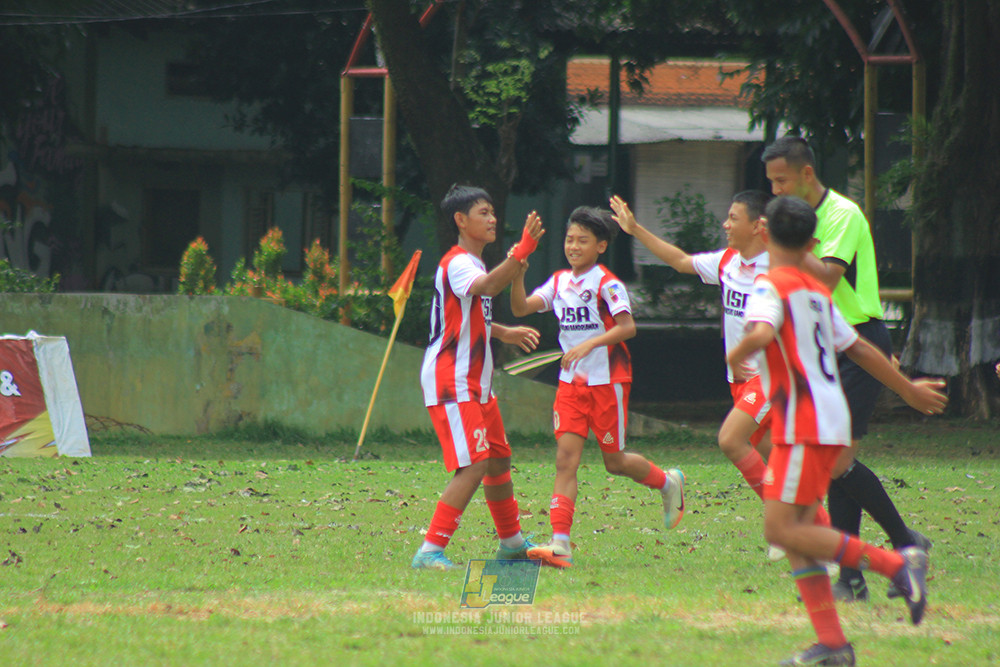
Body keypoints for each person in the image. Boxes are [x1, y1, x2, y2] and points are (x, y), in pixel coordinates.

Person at [726, 195, 947, 666]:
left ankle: (898, 564)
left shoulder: (772, 285)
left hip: (802, 423)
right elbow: (863, 350)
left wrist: (744, 346)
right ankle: (832, 645)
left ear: (764, 232)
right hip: (827, 418)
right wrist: (907, 391)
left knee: (780, 527)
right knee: (799, 533)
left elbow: (764, 331)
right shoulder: (816, 292)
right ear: (813, 242)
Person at [609, 191, 829, 556]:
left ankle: (786, 529)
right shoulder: (728, 261)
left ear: (758, 226)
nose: (725, 225)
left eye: (733, 217)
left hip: (771, 378)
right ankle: (815, 532)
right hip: (740, 383)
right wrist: (636, 230)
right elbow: (680, 261)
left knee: (730, 440)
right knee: (776, 465)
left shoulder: (780, 267)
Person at [762, 136, 931, 601]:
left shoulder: (841, 214)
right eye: (771, 183)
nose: (776, 190)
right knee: (837, 464)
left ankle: (902, 546)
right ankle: (856, 576)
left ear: (806, 174)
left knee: (837, 463)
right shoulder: (796, 223)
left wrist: (786, 244)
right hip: (831, 344)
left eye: (782, 180)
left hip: (857, 338)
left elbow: (828, 277)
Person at [509, 205, 684, 568]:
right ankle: (561, 544)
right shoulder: (559, 282)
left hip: (608, 382)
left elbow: (628, 327)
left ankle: (668, 484)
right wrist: (517, 276)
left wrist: (589, 344)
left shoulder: (607, 284)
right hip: (571, 385)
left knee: (615, 462)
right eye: (569, 239)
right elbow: (522, 308)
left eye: (582, 241)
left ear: (600, 246)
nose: (573, 246)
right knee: (564, 460)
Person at [411, 184, 546, 570]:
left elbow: (470, 316)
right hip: (451, 380)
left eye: (492, 212)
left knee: (498, 461)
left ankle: (512, 544)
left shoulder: (474, 263)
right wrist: (521, 252)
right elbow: (487, 288)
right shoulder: (457, 262)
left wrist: (504, 332)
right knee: (473, 464)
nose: (492, 219)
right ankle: (429, 551)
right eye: (483, 213)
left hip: (477, 384)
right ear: (460, 220)